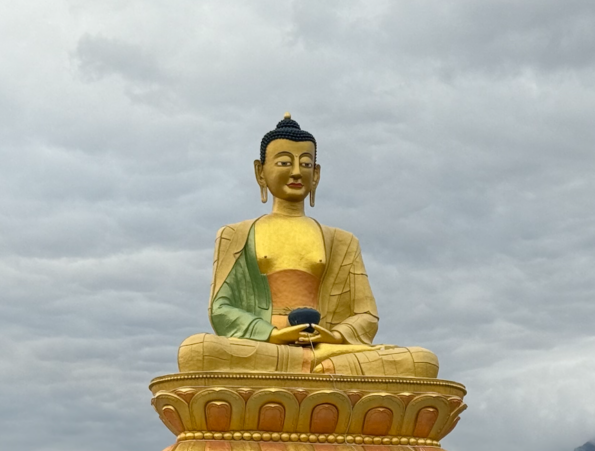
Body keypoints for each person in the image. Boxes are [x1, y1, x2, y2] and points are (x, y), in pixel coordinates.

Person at [177, 115, 439, 378]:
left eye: (305, 164)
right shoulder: (235, 235)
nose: (295, 172)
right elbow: (221, 309)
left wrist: (334, 336)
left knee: (423, 362)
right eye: (283, 162)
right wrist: (275, 335)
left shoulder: (342, 241)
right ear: (260, 171)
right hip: (264, 346)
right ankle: (318, 373)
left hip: (326, 346)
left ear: (316, 174)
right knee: (197, 349)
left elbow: (366, 314)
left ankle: (313, 370)